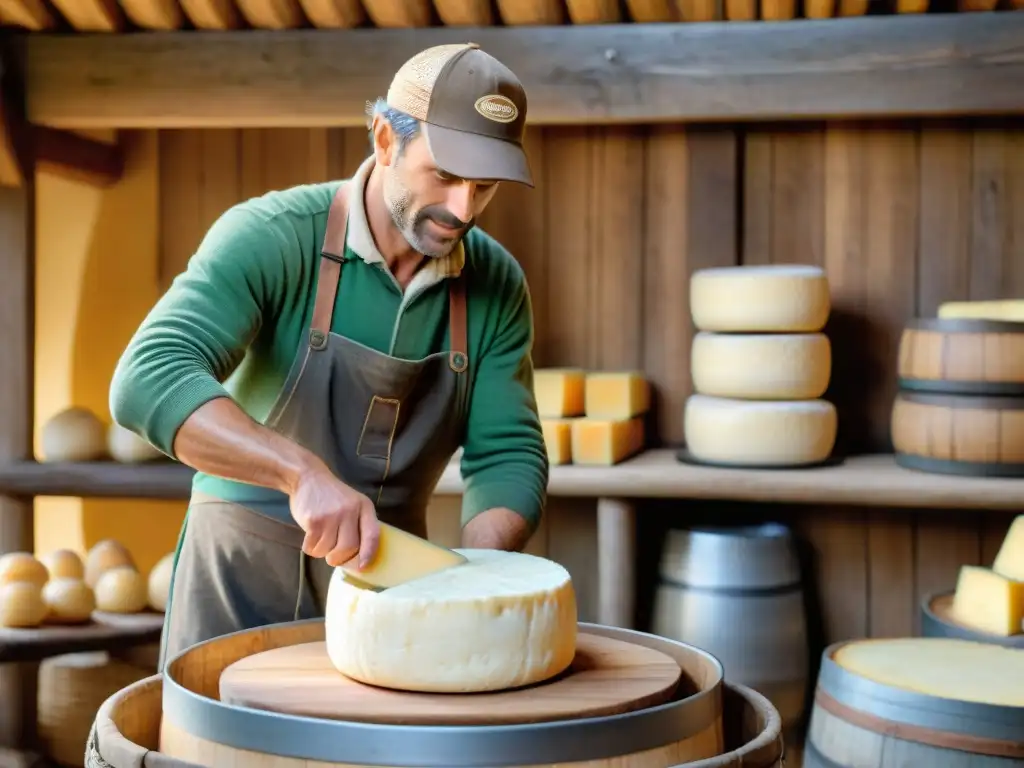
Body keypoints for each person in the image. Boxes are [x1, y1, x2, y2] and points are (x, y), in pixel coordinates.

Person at [108, 43, 549, 668]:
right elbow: (148, 378)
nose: (463, 209)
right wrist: (300, 474)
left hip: (391, 594)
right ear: (385, 139)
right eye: (446, 176)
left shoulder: (496, 284)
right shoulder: (274, 236)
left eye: (484, 186)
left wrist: (482, 575)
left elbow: (506, 452)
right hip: (239, 584)